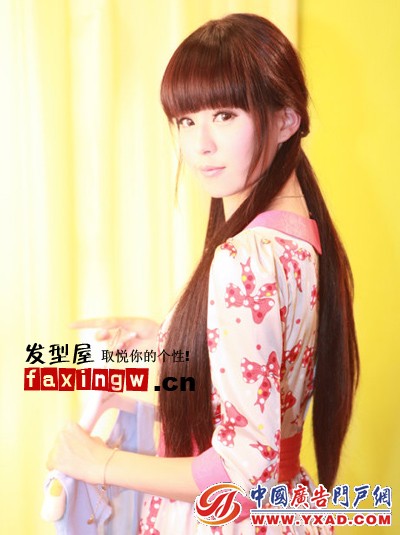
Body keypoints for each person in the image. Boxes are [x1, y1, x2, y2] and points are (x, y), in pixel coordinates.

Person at [47, 13, 359, 534]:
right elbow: (268, 373)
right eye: (186, 121)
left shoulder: (245, 257)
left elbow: (242, 472)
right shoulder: (302, 237)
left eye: (225, 115)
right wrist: (177, 338)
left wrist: (96, 461)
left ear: (286, 119)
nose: (199, 144)